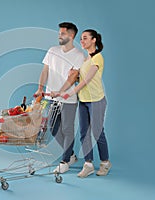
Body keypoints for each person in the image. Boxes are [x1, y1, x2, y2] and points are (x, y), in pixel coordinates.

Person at [55, 29, 111, 178]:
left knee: (97, 132)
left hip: (97, 101)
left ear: (94, 40)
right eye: (81, 38)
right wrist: (67, 81)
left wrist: (69, 93)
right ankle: (88, 164)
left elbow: (87, 81)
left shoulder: (97, 58)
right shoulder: (85, 60)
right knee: (84, 133)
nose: (82, 41)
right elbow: (78, 78)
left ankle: (105, 162)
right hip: (84, 101)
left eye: (85, 38)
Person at [35, 22, 85, 173]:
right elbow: (45, 71)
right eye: (59, 33)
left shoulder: (78, 55)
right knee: (53, 127)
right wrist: (40, 88)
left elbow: (73, 78)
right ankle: (70, 155)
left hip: (68, 98)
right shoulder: (52, 51)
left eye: (62, 33)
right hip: (53, 98)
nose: (59, 35)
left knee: (67, 128)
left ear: (71, 35)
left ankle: (64, 161)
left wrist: (60, 91)